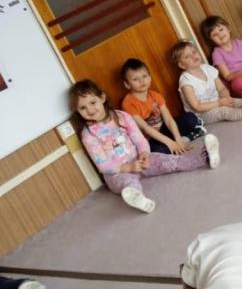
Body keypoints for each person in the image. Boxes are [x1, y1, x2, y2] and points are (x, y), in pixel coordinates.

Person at [71, 79, 220, 215]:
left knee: (168, 161)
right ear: (78, 111)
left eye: (92, 102)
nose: (90, 110)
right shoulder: (88, 135)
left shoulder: (122, 116)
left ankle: (204, 158)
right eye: (83, 108)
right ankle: (140, 200)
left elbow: (139, 139)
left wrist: (145, 153)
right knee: (128, 183)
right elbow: (103, 165)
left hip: (141, 160)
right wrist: (127, 168)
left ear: (102, 98)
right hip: (117, 173)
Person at [121, 58, 204, 154]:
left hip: (163, 129)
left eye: (144, 76)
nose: (142, 81)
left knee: (191, 118)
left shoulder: (155, 95)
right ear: (127, 84)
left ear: (150, 77)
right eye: (135, 79)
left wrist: (178, 140)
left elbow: (168, 120)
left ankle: (180, 140)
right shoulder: (128, 103)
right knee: (159, 150)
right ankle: (182, 139)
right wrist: (170, 143)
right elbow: (145, 128)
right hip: (150, 138)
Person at [172, 40, 242, 125]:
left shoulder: (207, 68)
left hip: (218, 101)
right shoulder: (186, 81)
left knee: (236, 101)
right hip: (202, 113)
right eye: (187, 57)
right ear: (182, 65)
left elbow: (221, 88)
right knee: (223, 111)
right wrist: (219, 103)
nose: (193, 56)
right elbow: (197, 106)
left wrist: (226, 97)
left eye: (194, 52)